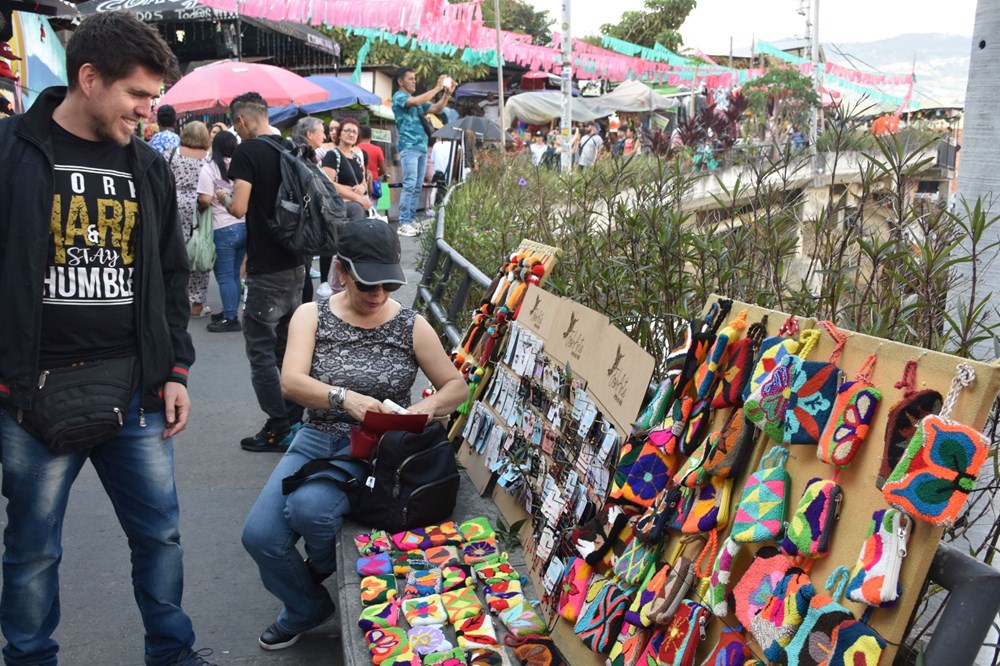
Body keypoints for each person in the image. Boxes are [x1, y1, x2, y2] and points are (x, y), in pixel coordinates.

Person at [0, 11, 215, 666]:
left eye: (153, 97)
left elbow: (172, 274)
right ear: (89, 78)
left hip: (137, 392)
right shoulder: (10, 151)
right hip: (29, 397)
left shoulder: (146, 167)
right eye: (137, 94)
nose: (148, 110)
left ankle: (172, 654)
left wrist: (175, 370)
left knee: (160, 538)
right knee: (33, 550)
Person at [241, 218, 466, 651]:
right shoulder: (312, 314)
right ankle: (308, 605)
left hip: (376, 450)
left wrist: (421, 410)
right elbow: (291, 382)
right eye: (367, 284)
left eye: (388, 284)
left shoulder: (411, 325)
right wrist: (345, 398)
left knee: (310, 508)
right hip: (316, 437)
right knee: (260, 537)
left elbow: (456, 386)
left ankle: (316, 578)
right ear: (341, 271)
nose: (378, 294)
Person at [222, 91, 306, 452]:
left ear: (241, 120)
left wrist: (224, 197)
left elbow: (239, 207)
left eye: (235, 125)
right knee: (289, 348)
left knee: (260, 351)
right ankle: (295, 419)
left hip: (266, 269)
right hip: (297, 264)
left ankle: (279, 426)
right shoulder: (292, 147)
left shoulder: (248, 152)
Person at [392, 67, 452, 237]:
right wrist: (437, 88)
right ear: (400, 81)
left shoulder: (416, 101)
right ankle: (404, 222)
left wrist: (446, 95)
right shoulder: (399, 97)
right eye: (410, 79)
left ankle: (410, 220)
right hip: (409, 146)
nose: (414, 82)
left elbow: (437, 109)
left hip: (421, 147)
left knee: (417, 185)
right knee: (410, 183)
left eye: (414, 78)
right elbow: (416, 102)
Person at [198, 129, 246, 333]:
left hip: (222, 228)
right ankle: (230, 311)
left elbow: (204, 199)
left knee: (225, 276)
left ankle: (230, 318)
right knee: (235, 274)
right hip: (243, 225)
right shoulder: (242, 166)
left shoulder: (210, 168)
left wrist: (204, 204)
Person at [168, 120, 212, 318]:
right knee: (199, 252)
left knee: (173, 252)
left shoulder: (171, 153)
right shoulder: (208, 158)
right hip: (199, 207)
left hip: (173, 205)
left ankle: (174, 298)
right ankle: (197, 305)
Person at [320, 117, 369, 222]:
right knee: (356, 209)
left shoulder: (357, 158)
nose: (351, 134)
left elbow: (364, 182)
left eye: (355, 132)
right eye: (347, 130)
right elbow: (327, 184)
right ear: (339, 134)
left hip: (359, 203)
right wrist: (356, 195)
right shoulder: (332, 155)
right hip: (339, 205)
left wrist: (362, 187)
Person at [356, 124, 387, 208]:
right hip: (373, 185)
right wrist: (375, 173)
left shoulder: (355, 148)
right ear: (371, 136)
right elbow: (383, 170)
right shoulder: (377, 149)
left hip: (358, 185)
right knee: (372, 209)